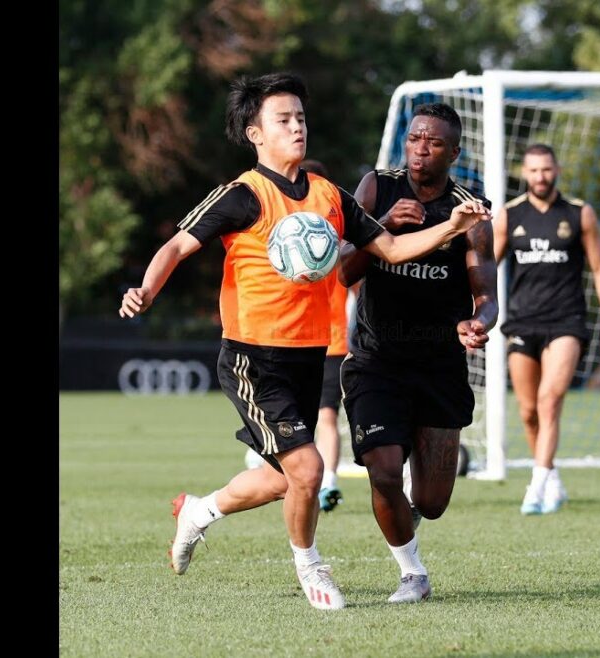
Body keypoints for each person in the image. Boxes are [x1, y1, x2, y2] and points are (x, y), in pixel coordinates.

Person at [118, 73, 490, 611]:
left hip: (307, 357)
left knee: (281, 480)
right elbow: (177, 246)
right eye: (282, 119)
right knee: (311, 470)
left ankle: (199, 512)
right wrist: (145, 290)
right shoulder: (245, 195)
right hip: (250, 359)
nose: (296, 127)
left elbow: (391, 248)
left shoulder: (329, 196)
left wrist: (452, 225)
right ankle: (312, 567)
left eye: (300, 117)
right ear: (255, 134)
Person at [336, 102, 498, 603]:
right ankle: (412, 573)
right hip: (375, 359)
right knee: (383, 471)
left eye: (432, 142)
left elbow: (487, 296)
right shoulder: (376, 187)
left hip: (438, 365)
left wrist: (479, 324)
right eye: (414, 138)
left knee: (432, 500)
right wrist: (382, 225)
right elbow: (344, 271)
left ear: (453, 152)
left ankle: (408, 519)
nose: (419, 149)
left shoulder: (472, 211)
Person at [491, 143, 600, 516]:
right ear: (524, 173)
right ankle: (552, 478)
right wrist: (472, 312)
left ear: (557, 170)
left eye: (546, 169)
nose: (540, 177)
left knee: (550, 400)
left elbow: (599, 269)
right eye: (533, 170)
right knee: (529, 411)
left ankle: (537, 484)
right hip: (521, 322)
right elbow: (486, 268)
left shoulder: (580, 214)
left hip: (567, 321)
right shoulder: (509, 216)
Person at [299, 159, 348, 513]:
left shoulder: (295, 233)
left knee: (321, 416)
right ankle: (326, 478)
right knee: (324, 416)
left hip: (325, 340)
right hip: (325, 340)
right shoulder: (340, 239)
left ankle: (325, 480)